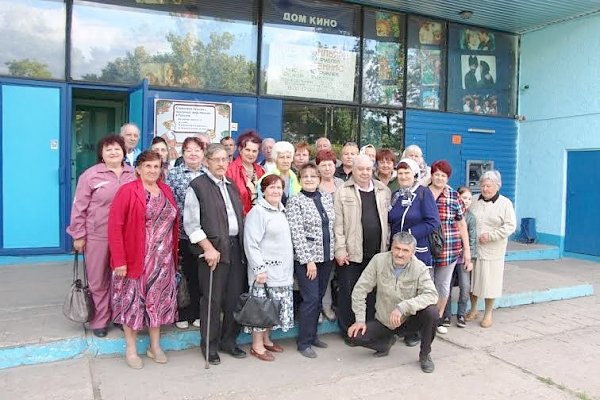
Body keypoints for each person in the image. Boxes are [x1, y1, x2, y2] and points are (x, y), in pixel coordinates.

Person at [108, 150, 179, 369]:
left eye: (156, 166)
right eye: (147, 166)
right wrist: (119, 260)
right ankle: (131, 349)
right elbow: (115, 226)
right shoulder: (127, 191)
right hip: (136, 259)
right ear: (138, 169)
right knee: (133, 304)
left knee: (157, 303)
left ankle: (154, 345)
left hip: (163, 261)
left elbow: (173, 223)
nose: (152, 170)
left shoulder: (166, 190)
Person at [183, 143, 247, 365]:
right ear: (206, 162)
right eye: (217, 159)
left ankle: (229, 341)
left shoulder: (231, 187)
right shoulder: (198, 186)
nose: (222, 164)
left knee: (233, 299)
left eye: (225, 159)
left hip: (235, 248)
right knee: (212, 300)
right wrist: (208, 248)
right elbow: (191, 224)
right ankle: (209, 346)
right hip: (213, 251)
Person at [67, 135, 136, 338]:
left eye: (117, 149)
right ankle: (100, 319)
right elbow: (79, 207)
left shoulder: (132, 173)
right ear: (101, 154)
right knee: (98, 279)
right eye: (108, 149)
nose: (113, 152)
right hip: (98, 234)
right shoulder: (90, 175)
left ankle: (121, 316)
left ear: (124, 152)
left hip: (126, 235)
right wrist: (78, 234)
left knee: (124, 279)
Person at [347, 232, 438, 373]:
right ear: (391, 248)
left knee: (432, 312)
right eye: (397, 248)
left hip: (408, 320)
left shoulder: (419, 268)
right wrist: (360, 320)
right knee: (354, 336)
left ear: (412, 252)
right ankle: (384, 344)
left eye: (405, 250)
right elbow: (360, 290)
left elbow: (432, 295)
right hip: (385, 320)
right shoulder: (379, 261)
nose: (400, 254)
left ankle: (425, 355)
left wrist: (403, 307)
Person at [334, 154, 391, 343]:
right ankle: (349, 331)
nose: (365, 173)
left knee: (373, 293)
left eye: (368, 169)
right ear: (353, 169)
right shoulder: (342, 191)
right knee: (349, 291)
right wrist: (340, 249)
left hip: (377, 252)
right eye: (360, 169)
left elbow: (387, 222)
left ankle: (369, 329)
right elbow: (338, 225)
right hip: (351, 252)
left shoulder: (383, 190)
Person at [286, 163, 335, 358]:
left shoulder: (325, 197)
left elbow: (331, 226)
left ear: (318, 178)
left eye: (313, 176)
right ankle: (304, 342)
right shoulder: (295, 201)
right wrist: (309, 261)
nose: (309, 179)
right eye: (305, 176)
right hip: (308, 260)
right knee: (311, 299)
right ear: (299, 179)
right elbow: (296, 233)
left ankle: (313, 335)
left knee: (319, 297)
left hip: (326, 256)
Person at [244, 174, 294, 362]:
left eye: (279, 187)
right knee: (261, 309)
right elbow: (251, 243)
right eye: (271, 187)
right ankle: (257, 346)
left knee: (273, 308)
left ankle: (266, 339)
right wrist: (259, 269)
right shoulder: (258, 212)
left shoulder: (281, 211)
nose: (275, 191)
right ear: (263, 191)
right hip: (264, 273)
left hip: (282, 271)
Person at [164, 137, 206, 329]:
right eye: (188, 150)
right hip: (180, 233)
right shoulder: (174, 175)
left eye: (197, 150)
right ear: (183, 153)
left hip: (204, 235)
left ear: (203, 153)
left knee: (200, 275)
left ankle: (197, 312)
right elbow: (168, 203)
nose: (193, 154)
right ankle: (181, 313)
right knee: (182, 274)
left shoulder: (208, 174)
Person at [467, 171, 516, 328]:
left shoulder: (505, 203)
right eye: (483, 185)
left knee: (489, 283)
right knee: (472, 282)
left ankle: (488, 313)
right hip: (474, 249)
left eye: (489, 186)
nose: (485, 189)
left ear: (497, 186)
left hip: (493, 250)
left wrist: (492, 235)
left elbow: (510, 226)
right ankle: (473, 309)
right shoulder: (473, 200)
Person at [428, 160, 472, 334]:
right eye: (436, 174)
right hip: (427, 246)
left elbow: (462, 225)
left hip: (449, 248)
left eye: (443, 175)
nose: (439, 178)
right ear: (431, 175)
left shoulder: (453, 196)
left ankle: (436, 319)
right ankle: (424, 319)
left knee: (443, 285)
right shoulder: (423, 192)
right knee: (427, 284)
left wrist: (467, 251)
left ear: (448, 178)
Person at [443, 186, 478, 328]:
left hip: (463, 258)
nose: (467, 201)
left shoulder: (470, 217)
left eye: (470, 198)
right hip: (450, 256)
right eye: (464, 198)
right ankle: (446, 315)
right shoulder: (450, 213)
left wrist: (470, 258)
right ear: (458, 198)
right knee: (447, 287)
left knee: (465, 286)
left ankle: (461, 314)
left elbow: (473, 239)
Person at [315, 149, 343, 322]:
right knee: (320, 275)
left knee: (333, 274)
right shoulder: (313, 184)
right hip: (320, 237)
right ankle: (318, 308)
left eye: (330, 164)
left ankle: (329, 304)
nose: (327, 168)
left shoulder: (341, 184)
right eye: (323, 165)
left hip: (339, 235)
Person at [226, 130, 265, 216]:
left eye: (254, 151)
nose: (251, 154)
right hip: (239, 219)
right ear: (240, 149)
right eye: (247, 150)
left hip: (259, 218)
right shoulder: (230, 170)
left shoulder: (261, 171)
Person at [257, 141, 300, 205]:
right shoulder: (266, 178)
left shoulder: (295, 178)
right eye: (281, 157)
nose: (285, 161)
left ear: (292, 159)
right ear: (275, 159)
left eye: (288, 157)